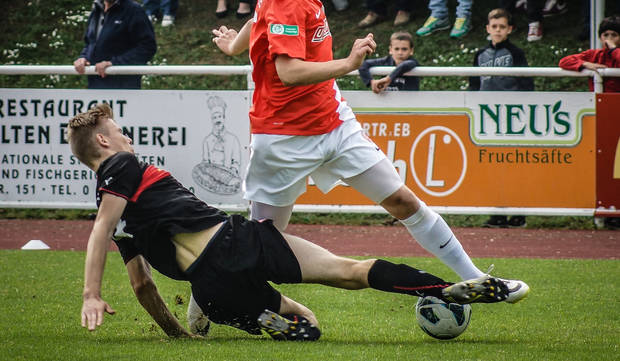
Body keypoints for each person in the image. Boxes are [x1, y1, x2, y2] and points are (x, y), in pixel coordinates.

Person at [212, 0, 529, 306]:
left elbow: (259, 16)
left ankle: (479, 280)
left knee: (402, 201)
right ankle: (210, 286)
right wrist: (347, 65)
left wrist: (234, 46)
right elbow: (288, 71)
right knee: (261, 242)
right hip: (283, 137)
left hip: (333, 124)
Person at [68, 103, 514, 340]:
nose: (126, 136)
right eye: (119, 129)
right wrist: (90, 293)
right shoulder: (120, 167)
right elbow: (99, 230)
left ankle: (264, 318)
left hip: (211, 290)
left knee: (309, 326)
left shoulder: (123, 214)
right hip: (236, 243)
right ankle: (443, 288)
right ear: (104, 141)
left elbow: (143, 285)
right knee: (349, 271)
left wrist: (178, 337)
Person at [469, 8, 533, 229]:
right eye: (494, 26)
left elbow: (527, 86)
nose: (497, 30)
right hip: (487, 120)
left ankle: (518, 214)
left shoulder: (517, 53)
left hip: (513, 119)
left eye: (502, 27)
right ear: (488, 28)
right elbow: (473, 87)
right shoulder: (479, 55)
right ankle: (496, 214)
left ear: (509, 29)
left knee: (514, 165)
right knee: (491, 166)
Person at [73, 0, 157, 89]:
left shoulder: (134, 11)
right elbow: (89, 43)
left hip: (124, 88)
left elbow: (148, 47)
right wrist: (83, 58)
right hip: (95, 86)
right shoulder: (95, 11)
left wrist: (114, 64)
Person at [558, 15, 620, 93]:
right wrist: (585, 64)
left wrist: (614, 49)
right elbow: (564, 61)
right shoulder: (593, 54)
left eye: (614, 35)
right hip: (599, 101)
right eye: (605, 35)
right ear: (600, 38)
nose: (609, 39)